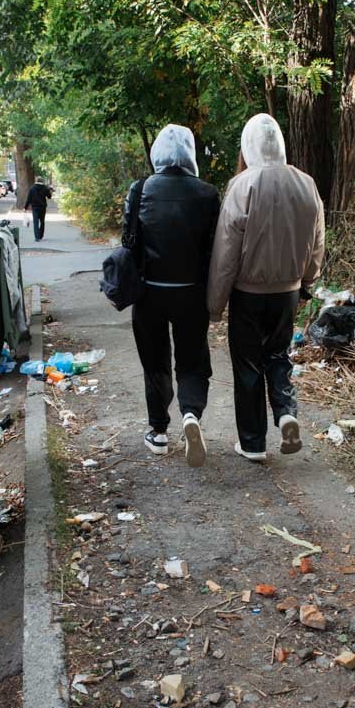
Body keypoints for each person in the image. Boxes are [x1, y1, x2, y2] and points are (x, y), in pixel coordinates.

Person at [207, 113, 325, 462]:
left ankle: (253, 442)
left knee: (247, 366)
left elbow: (226, 250)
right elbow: (317, 241)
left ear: (247, 145)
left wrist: (216, 304)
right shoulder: (307, 183)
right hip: (288, 291)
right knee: (278, 355)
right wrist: (308, 282)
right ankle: (286, 413)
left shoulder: (243, 184)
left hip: (248, 292)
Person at [125, 124, 220, 466]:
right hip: (191, 293)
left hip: (149, 292)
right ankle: (191, 414)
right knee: (193, 360)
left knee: (155, 361)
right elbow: (215, 249)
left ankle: (158, 431)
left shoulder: (140, 189)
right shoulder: (208, 194)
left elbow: (128, 242)